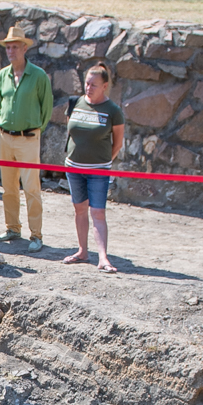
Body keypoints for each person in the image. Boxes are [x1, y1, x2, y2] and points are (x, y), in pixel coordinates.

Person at [0, 25, 53, 253]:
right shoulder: (2, 76)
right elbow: (1, 102)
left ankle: (36, 234)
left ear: (25, 48)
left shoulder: (38, 76)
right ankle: (12, 227)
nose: (11, 51)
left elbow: (46, 108)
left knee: (31, 188)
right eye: (8, 47)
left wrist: (34, 131)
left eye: (15, 46)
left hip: (28, 138)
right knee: (8, 187)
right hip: (5, 137)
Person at [63, 62, 126, 274]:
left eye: (94, 84)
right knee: (79, 208)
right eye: (87, 83)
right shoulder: (77, 103)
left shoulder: (113, 111)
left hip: (99, 168)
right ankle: (82, 251)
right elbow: (72, 129)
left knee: (98, 211)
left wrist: (104, 161)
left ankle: (103, 257)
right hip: (74, 166)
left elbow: (117, 143)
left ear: (105, 86)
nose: (88, 88)